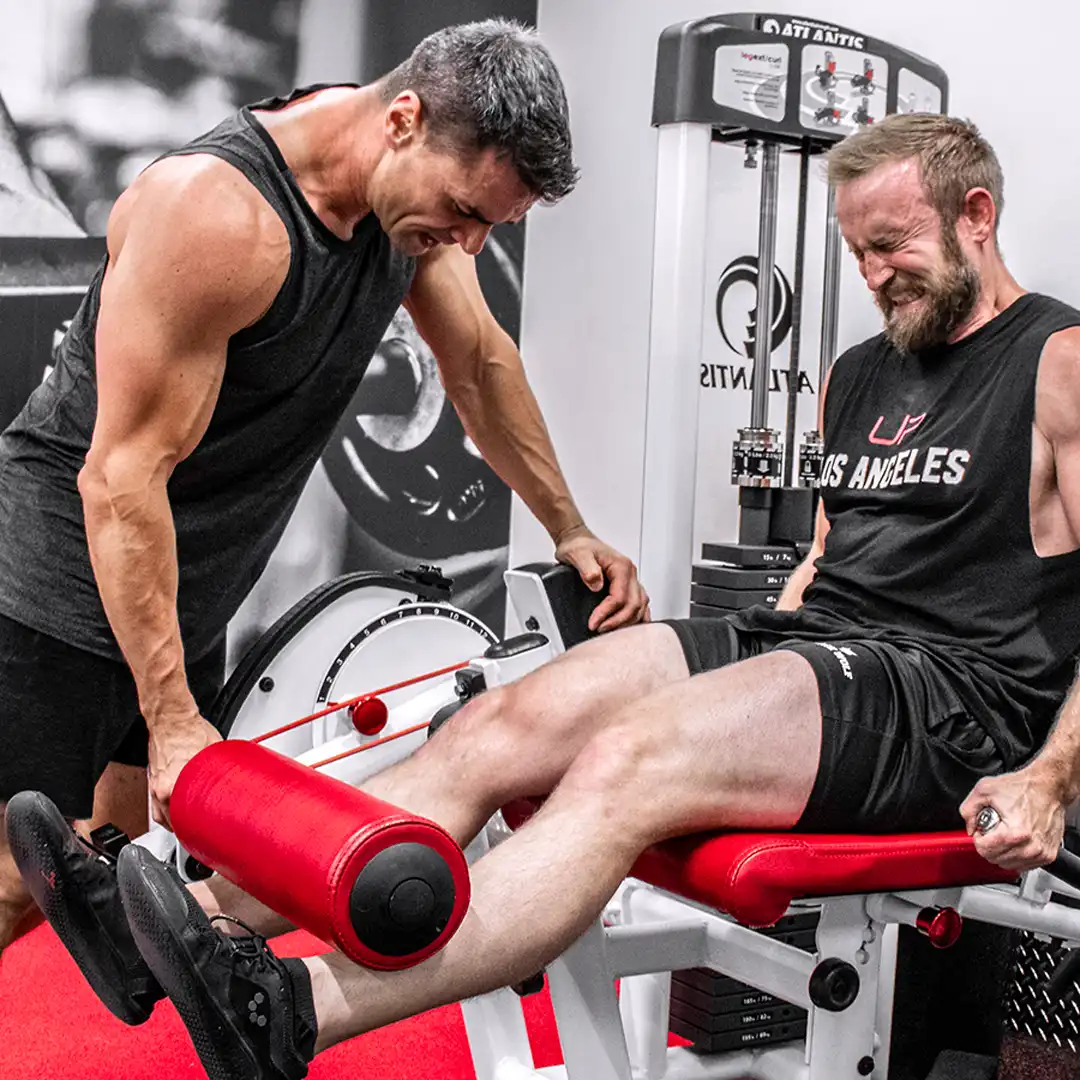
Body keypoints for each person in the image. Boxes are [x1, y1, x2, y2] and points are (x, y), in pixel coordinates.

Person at [8, 110, 1080, 1079]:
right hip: (822, 645)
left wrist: (1049, 779)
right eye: (855, 251)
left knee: (629, 760)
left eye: (890, 246)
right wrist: (762, 657)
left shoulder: (1057, 361)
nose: (872, 271)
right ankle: (186, 923)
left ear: (975, 214)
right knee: (505, 716)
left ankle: (294, 1008)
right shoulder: (859, 373)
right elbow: (829, 558)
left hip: (953, 696)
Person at [0, 19, 650, 956]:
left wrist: (569, 529)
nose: (466, 244)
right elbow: (120, 475)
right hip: (66, 562)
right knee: (14, 885)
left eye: (488, 228)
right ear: (404, 119)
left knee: (119, 858)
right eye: (465, 210)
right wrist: (174, 715)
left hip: (179, 573)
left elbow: (479, 368)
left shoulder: (405, 214)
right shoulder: (219, 216)